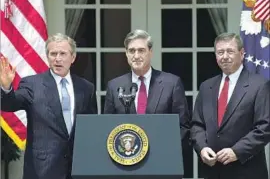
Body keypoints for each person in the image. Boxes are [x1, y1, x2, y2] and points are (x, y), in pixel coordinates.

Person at [0, 33, 97, 179]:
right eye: (53, 54)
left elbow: (90, 126)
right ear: (47, 57)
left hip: (78, 168)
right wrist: (6, 87)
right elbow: (10, 104)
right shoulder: (32, 84)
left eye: (63, 54)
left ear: (73, 58)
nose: (58, 58)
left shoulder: (86, 87)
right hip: (43, 170)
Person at [191, 32, 270, 179]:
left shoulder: (259, 85)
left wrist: (237, 151)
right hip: (213, 171)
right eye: (220, 52)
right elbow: (197, 125)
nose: (225, 56)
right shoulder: (206, 86)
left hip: (246, 171)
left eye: (230, 51)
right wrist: (202, 148)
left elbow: (264, 127)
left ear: (241, 54)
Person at [103, 29, 190, 143]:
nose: (136, 55)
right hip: (126, 155)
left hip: (162, 154)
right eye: (132, 51)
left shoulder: (172, 84)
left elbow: (183, 126)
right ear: (126, 53)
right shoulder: (114, 86)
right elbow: (107, 127)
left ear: (150, 52)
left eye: (141, 50)